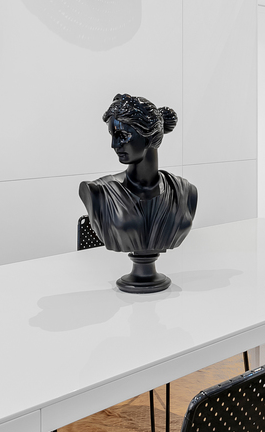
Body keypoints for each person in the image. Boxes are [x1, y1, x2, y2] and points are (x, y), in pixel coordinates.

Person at [80, 94, 198, 292]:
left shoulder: (185, 192)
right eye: (112, 135)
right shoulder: (97, 192)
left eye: (122, 135)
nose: (114, 145)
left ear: (150, 136)